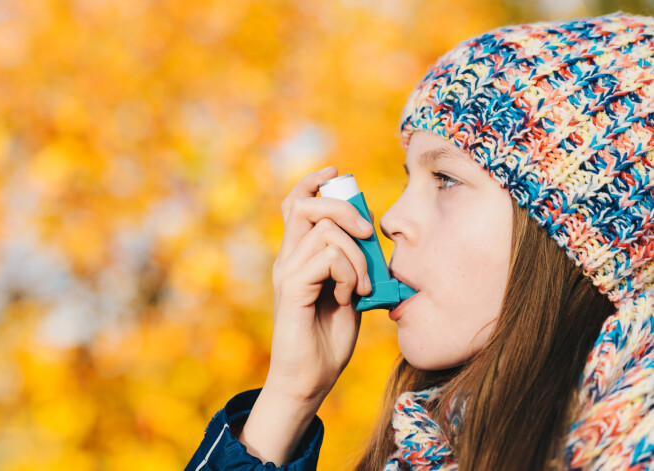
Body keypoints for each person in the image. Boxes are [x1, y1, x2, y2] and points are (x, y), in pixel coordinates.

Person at [185, 11, 654, 470]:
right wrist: (289, 395)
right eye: (410, 177)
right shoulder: (428, 448)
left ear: (587, 235)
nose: (391, 219)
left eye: (445, 178)